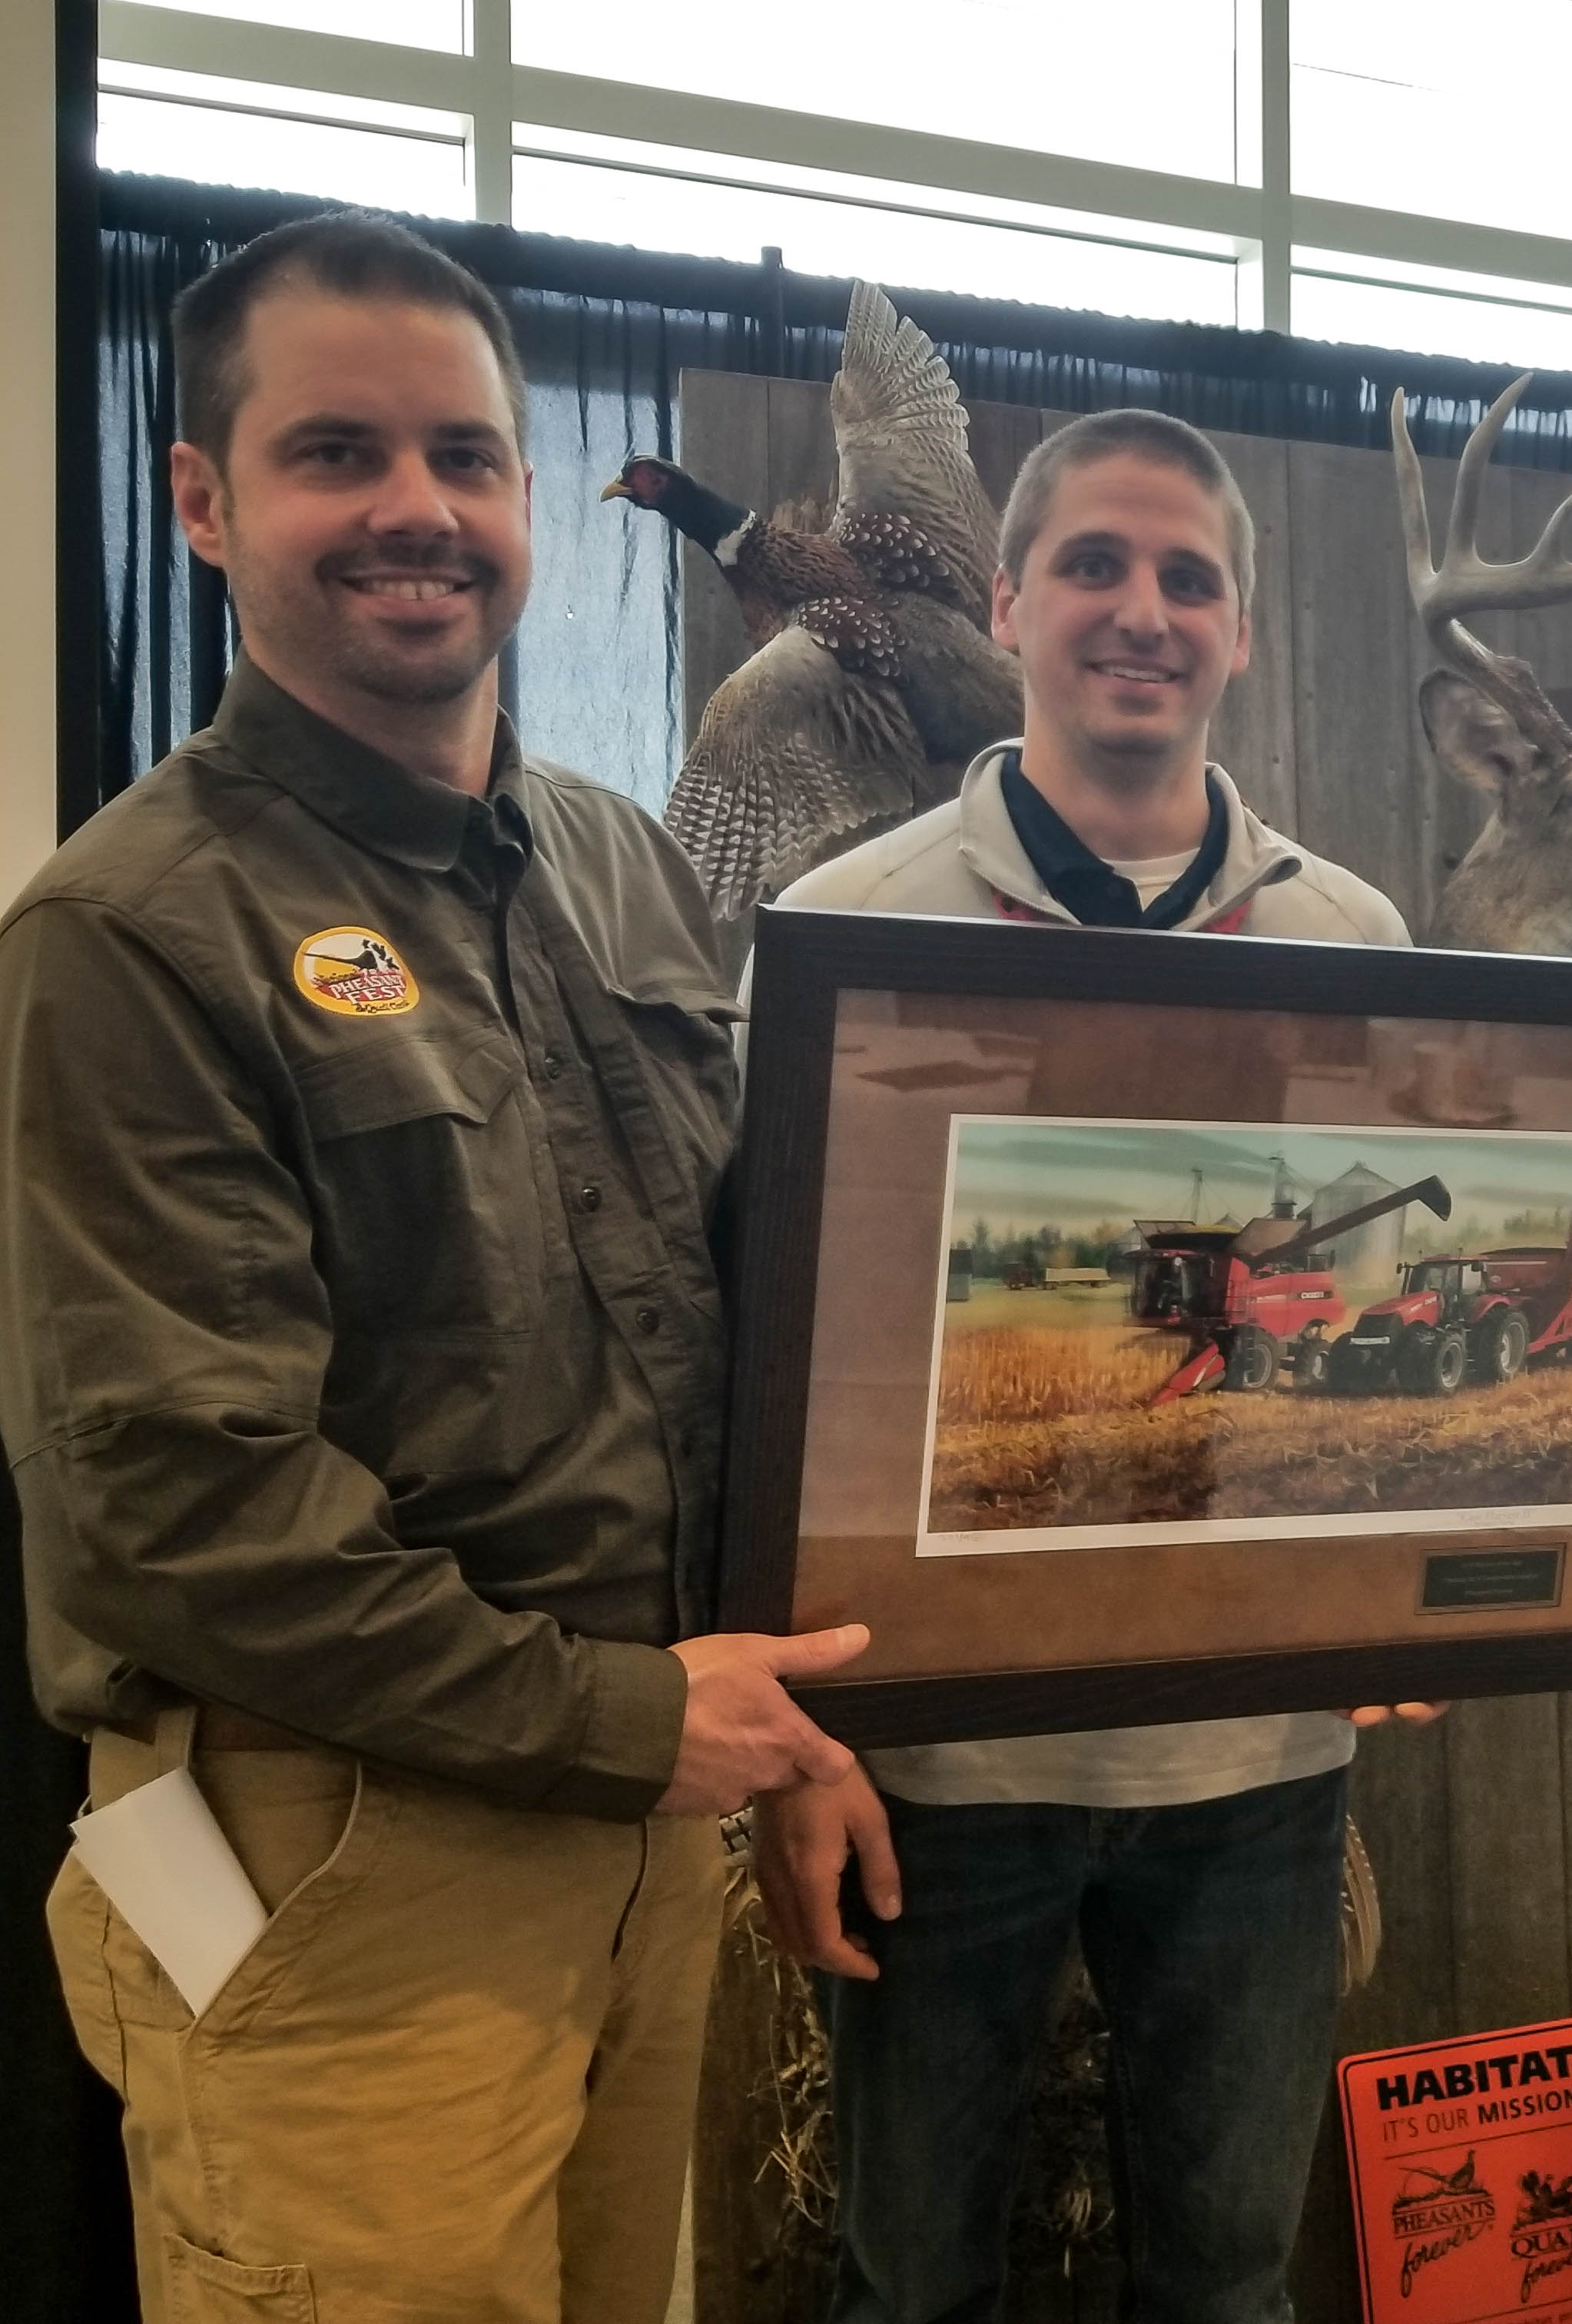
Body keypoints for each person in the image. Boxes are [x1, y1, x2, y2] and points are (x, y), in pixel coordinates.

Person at [754, 408, 1572, 2324]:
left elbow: (1396, 1323)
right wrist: (792, 1744)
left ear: (1240, 629)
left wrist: (1416, 1597)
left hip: (1253, 1771)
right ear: (1011, 598)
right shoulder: (847, 930)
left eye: (1189, 577)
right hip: (939, 1756)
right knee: (908, 2279)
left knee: (1232, 2278)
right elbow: (779, 1359)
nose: (1142, 612)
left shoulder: (1351, 938)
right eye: (1096, 564)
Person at [1, 211, 868, 2324]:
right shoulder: (134, 934)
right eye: (337, 455)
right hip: (346, 1852)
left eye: (469, 459)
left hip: (645, 1813)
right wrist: (632, 1718)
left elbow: (744, 1327)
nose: (419, 511)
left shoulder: (615, 858)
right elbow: (182, 1515)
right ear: (204, 499)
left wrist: (790, 1721)